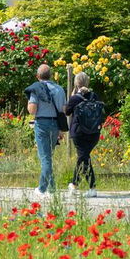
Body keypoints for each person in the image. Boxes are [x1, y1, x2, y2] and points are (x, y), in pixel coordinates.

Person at [24, 64, 67, 202]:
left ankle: (42, 189)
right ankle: (52, 188)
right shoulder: (60, 89)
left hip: (42, 124)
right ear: (51, 75)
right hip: (55, 124)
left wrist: (29, 104)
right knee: (49, 156)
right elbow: (63, 110)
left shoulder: (36, 88)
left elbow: (32, 110)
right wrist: (61, 129)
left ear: (38, 76)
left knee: (45, 157)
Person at [63, 72, 105, 197]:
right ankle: (77, 185)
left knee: (83, 157)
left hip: (79, 133)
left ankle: (84, 186)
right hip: (94, 133)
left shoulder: (76, 98)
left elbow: (67, 111)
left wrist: (72, 96)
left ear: (76, 83)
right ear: (88, 82)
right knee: (84, 157)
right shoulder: (95, 96)